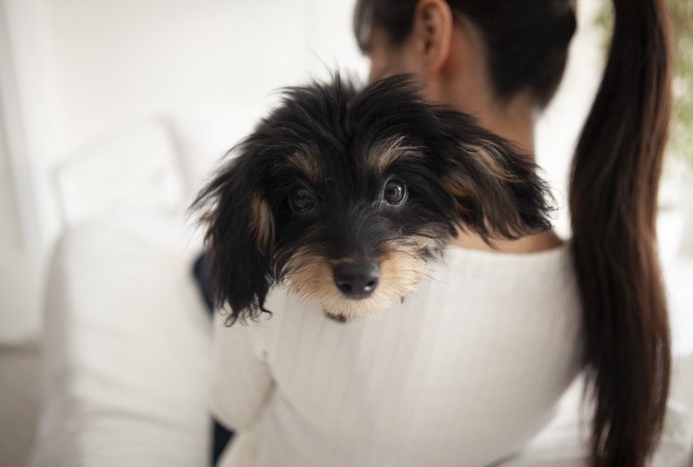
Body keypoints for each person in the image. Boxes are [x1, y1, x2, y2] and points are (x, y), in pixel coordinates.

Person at [204, 0, 673, 466]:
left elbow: (231, 408)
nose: (365, 93)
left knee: (206, 270)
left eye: (376, 63)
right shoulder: (611, 293)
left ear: (431, 32)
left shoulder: (281, 287)